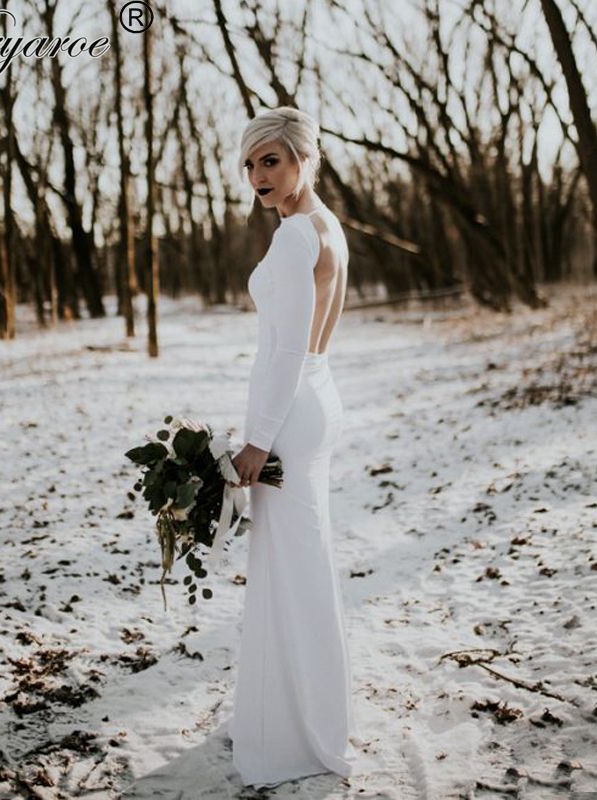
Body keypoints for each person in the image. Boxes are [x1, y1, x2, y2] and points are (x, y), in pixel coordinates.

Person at [226, 106, 358, 789]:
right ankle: (308, 710)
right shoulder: (325, 225)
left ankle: (304, 733)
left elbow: (282, 350)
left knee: (293, 572)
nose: (258, 176)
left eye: (271, 160)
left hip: (291, 409)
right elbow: (307, 348)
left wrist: (256, 440)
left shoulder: (293, 239)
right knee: (303, 565)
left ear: (305, 157)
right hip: (317, 398)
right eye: (250, 164)